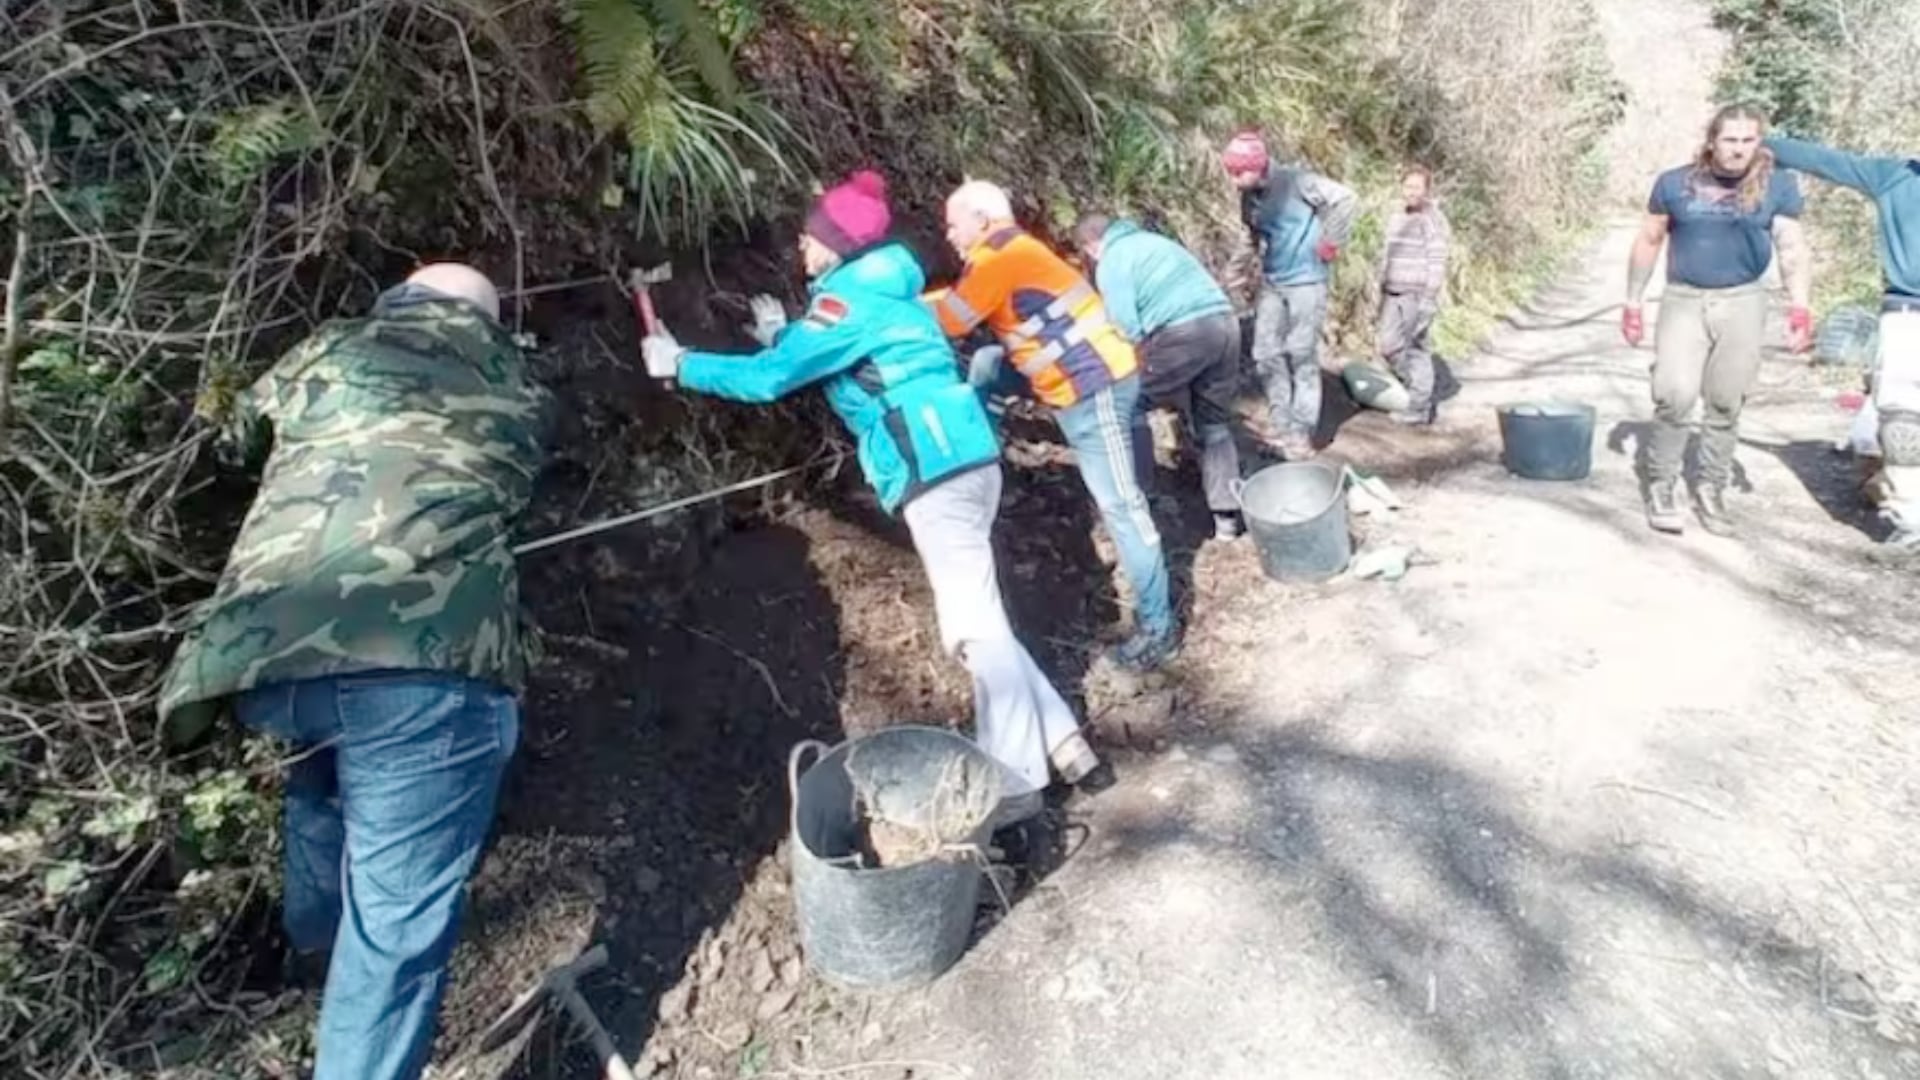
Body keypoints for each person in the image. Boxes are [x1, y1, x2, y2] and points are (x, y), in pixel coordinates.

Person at [157, 264, 548, 1080]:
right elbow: (513, 492)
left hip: (265, 651)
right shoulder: (514, 383)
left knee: (320, 783)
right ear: (489, 323)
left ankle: (310, 960)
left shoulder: (325, 348)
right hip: (420, 664)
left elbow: (234, 445)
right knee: (398, 927)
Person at [638, 171, 1110, 835]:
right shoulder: (886, 290)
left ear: (834, 245)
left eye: (809, 238)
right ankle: (1067, 746)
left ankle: (1015, 782)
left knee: (971, 629)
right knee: (985, 614)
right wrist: (782, 332)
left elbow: (777, 378)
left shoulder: (844, 305)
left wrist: (680, 364)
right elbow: (842, 359)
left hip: (931, 464)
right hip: (966, 453)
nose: (802, 249)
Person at [927, 180, 1179, 671]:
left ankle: (1158, 628)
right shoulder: (1011, 250)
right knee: (988, 361)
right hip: (1078, 381)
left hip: (1093, 388)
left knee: (1122, 506)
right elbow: (965, 307)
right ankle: (983, 444)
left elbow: (953, 319)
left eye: (954, 224)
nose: (950, 236)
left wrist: (894, 304)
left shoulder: (997, 257)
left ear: (981, 219)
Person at [1623, 104, 1814, 536]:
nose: (1739, 149)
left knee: (1726, 401)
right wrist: (1632, 303)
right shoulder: (1675, 183)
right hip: (1684, 299)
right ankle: (1662, 484)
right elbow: (1649, 239)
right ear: (1712, 140)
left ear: (1759, 143)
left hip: (1744, 300)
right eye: (1730, 140)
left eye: (1749, 141)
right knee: (1674, 395)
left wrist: (1800, 306)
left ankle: (1710, 487)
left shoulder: (1779, 186)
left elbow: (1791, 247)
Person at [1767, 132, 1920, 549]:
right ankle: (1910, 519)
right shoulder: (1897, 177)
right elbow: (1826, 161)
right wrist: (1760, 142)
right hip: (1908, 312)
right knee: (1903, 419)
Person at [1072, 212, 1247, 540]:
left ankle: (1140, 496)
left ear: (1091, 246)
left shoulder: (1113, 260)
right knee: (1214, 423)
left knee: (1128, 404)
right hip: (1225, 324)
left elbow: (1126, 328)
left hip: (1186, 332)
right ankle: (1227, 518)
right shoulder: (1156, 243)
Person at [1223, 129, 1359, 460]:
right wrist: (1236, 270)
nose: (1235, 180)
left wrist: (1329, 243)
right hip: (1273, 282)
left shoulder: (1297, 182)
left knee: (1301, 353)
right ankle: (1282, 422)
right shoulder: (1249, 196)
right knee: (1265, 352)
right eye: (1232, 173)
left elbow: (1346, 199)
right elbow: (1251, 236)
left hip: (1307, 282)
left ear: (1258, 165)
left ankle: (1301, 432)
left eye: (1240, 172)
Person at [1377, 165, 1452, 425]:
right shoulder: (1397, 217)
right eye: (1407, 186)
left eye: (1417, 188)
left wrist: (1429, 298)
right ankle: (1414, 387)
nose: (1411, 192)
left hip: (1417, 295)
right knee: (1388, 346)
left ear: (1427, 191)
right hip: (1393, 292)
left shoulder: (1432, 219)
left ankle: (1419, 406)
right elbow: (1388, 254)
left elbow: (1437, 260)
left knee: (1415, 348)